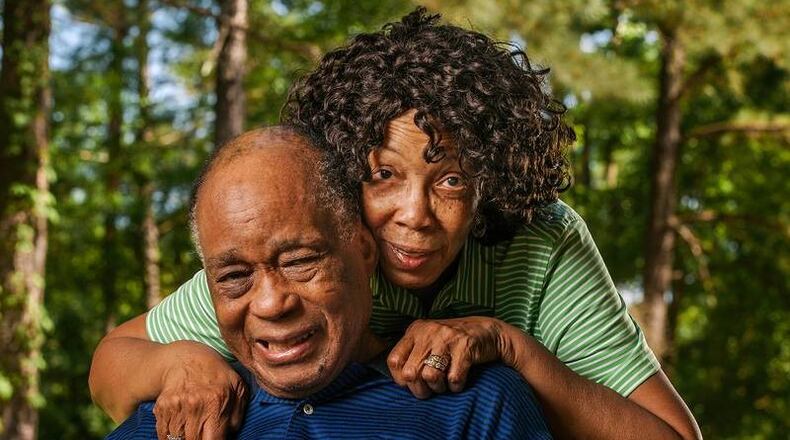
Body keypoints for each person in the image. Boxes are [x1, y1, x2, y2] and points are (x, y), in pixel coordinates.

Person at [91, 8, 701, 439]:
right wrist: (175, 363)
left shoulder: (539, 242)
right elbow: (113, 367)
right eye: (384, 174)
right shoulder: (305, 258)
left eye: (452, 180)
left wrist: (508, 344)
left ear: (490, 182)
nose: (415, 214)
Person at [104, 127, 551, 439]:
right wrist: (177, 362)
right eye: (235, 276)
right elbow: (111, 360)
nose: (270, 303)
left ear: (364, 251)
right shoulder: (178, 416)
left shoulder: (477, 403)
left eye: (300, 262)